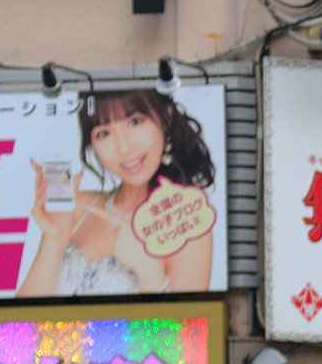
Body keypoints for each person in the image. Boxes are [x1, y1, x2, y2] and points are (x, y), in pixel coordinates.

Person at [19, 90, 218, 297]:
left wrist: (149, 274)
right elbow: (16, 324)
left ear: (165, 118)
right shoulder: (78, 207)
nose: (123, 148)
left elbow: (185, 328)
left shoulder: (187, 223)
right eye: (104, 133)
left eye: (135, 122)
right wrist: (54, 239)